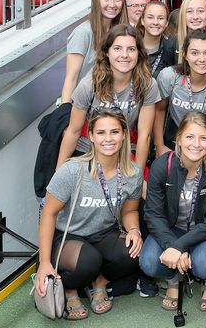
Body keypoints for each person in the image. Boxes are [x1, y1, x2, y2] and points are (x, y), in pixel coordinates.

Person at [35, 108, 143, 320]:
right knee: (88, 260)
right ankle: (69, 288)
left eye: (114, 132)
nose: (108, 139)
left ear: (124, 134)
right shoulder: (72, 170)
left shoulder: (133, 173)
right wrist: (44, 262)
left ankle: (98, 281)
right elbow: (48, 214)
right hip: (66, 237)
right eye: (101, 133)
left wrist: (134, 230)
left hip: (102, 233)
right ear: (91, 136)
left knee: (134, 253)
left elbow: (129, 210)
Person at [140, 112, 206, 312]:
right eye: (190, 137)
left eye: (203, 138)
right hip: (172, 229)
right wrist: (171, 245)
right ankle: (173, 278)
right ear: (179, 139)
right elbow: (153, 214)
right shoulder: (162, 166)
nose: (196, 144)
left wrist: (178, 247)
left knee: (205, 264)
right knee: (148, 262)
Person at [56, 24, 160, 175]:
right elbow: (73, 131)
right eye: (117, 48)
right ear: (106, 52)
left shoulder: (147, 85)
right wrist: (58, 173)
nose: (124, 55)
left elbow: (144, 135)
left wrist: (137, 178)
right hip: (89, 150)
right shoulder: (90, 84)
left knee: (143, 191)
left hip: (123, 150)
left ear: (139, 54)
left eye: (131, 49)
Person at [154, 29, 206, 159]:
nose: (202, 59)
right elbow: (159, 110)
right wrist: (159, 146)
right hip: (176, 140)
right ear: (185, 54)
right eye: (195, 53)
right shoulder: (169, 77)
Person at [61, 0, 128, 104]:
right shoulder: (83, 32)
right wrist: (64, 112)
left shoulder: (123, 33)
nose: (112, 5)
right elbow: (71, 77)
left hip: (115, 105)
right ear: (96, 1)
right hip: (86, 107)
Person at [137, 0, 176, 80]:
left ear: (166, 23)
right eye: (150, 17)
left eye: (160, 18)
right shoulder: (132, 47)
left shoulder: (172, 50)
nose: (155, 22)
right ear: (142, 20)